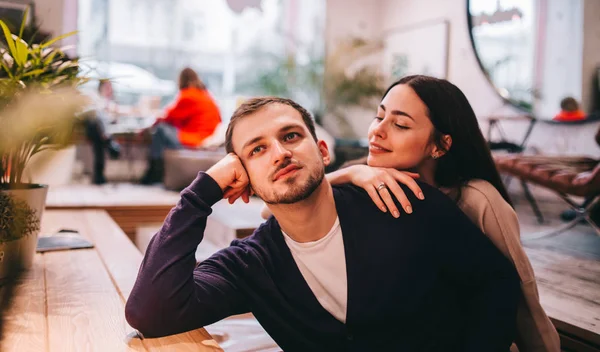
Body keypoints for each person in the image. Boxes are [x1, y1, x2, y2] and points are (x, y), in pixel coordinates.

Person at [125, 96, 520, 351]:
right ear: (241, 182)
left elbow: (495, 283)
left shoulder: (401, 202)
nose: (279, 153)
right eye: (257, 149)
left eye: (291, 136)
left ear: (323, 151)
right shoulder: (251, 265)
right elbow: (152, 311)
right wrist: (202, 193)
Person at [307, 75, 560, 352]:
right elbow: (271, 215)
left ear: (440, 145)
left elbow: (521, 297)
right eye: (379, 117)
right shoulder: (364, 182)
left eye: (400, 124)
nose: (377, 131)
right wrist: (351, 173)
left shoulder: (477, 200)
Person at [140, 67, 221, 184]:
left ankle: (154, 171)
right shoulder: (205, 95)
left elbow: (168, 116)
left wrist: (148, 126)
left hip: (195, 138)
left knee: (160, 129)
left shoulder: (188, 95)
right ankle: (158, 171)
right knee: (164, 132)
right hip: (207, 136)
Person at [83, 79, 123, 184]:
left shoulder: (112, 102)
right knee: (96, 121)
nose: (108, 89)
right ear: (100, 87)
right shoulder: (95, 97)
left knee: (99, 143)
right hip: (92, 127)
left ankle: (99, 176)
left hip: (100, 131)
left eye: (110, 87)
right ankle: (110, 143)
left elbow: (113, 120)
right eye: (106, 86)